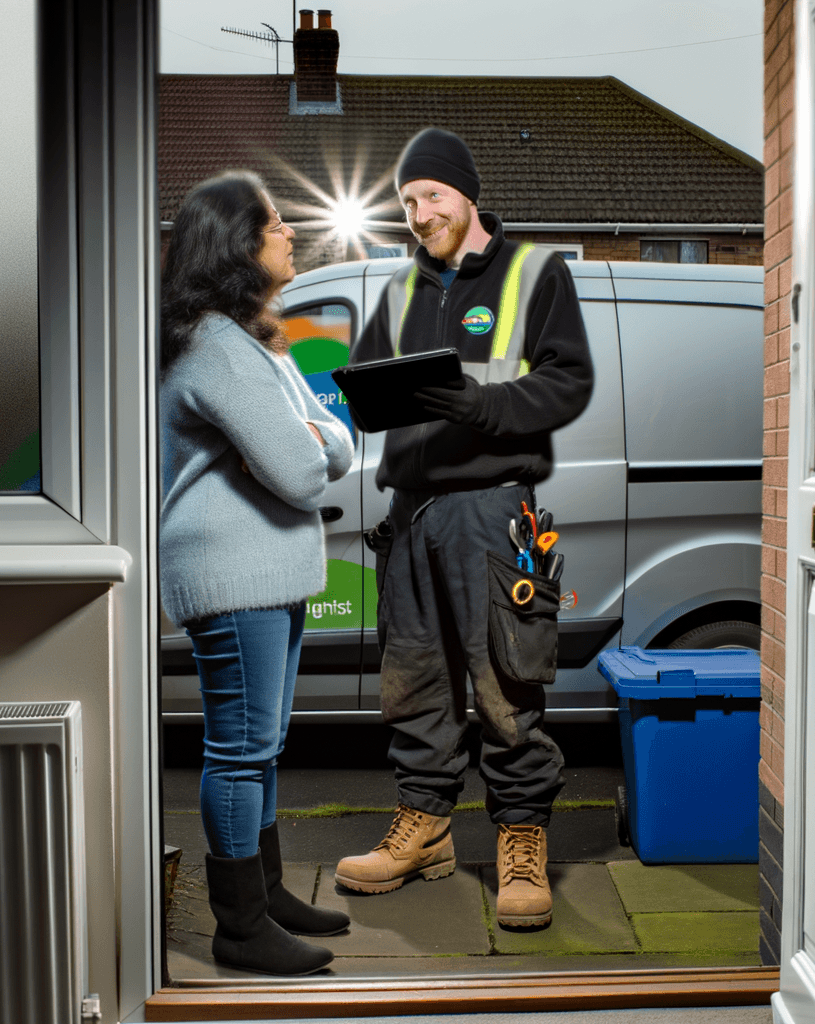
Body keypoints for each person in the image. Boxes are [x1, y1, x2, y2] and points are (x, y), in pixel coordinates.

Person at [336, 129, 594, 929]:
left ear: (466, 194)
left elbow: (568, 380)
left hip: (491, 508)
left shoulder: (534, 273)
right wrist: (364, 399)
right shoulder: (400, 291)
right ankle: (427, 829)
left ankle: (520, 837)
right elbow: (366, 385)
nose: (419, 213)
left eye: (432, 196)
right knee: (415, 683)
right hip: (409, 512)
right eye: (407, 201)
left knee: (506, 683)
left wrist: (485, 405)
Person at [159, 170, 355, 974]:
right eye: (274, 222)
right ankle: (239, 927)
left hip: (264, 573)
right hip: (234, 575)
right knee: (240, 750)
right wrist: (312, 439)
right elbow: (309, 470)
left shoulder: (252, 341)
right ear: (236, 242)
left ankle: (266, 893)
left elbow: (329, 441)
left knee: (261, 747)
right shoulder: (216, 348)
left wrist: (312, 437)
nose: (289, 232)